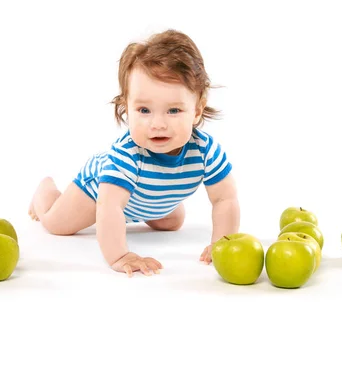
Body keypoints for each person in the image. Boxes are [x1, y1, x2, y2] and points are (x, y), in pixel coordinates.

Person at [28, 29, 240, 277]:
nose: (158, 124)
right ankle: (45, 191)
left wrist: (222, 243)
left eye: (173, 111)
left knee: (173, 222)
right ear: (126, 107)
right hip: (98, 191)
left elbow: (224, 200)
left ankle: (152, 204)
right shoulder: (126, 155)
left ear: (196, 111)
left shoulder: (206, 151)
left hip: (144, 199)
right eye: (144, 110)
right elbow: (109, 207)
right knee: (56, 224)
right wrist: (119, 255)